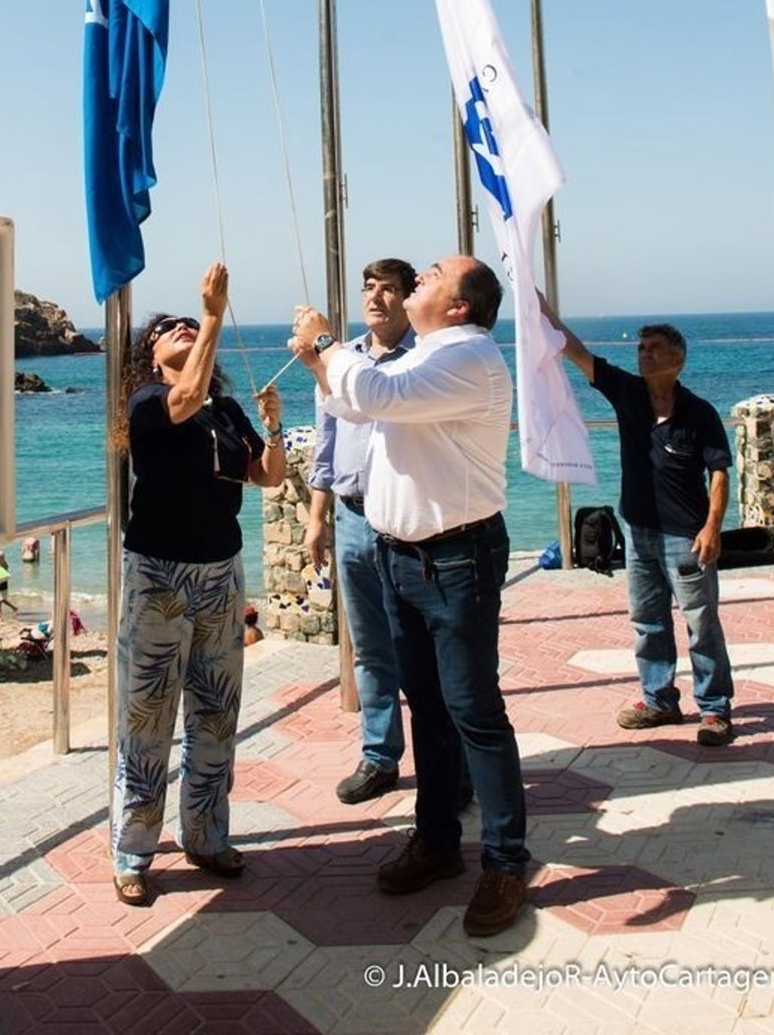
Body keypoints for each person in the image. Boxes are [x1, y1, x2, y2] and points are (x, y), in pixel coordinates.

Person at [291, 256, 530, 938]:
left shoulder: (469, 356)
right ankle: (437, 840)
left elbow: (377, 395)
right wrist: (322, 364)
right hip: (401, 556)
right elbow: (354, 404)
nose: (423, 274)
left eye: (435, 273)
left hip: (456, 558)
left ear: (460, 306)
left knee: (474, 710)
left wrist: (326, 340)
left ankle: (505, 861)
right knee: (425, 703)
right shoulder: (428, 353)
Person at [111, 260, 287, 908]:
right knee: (147, 717)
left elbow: (267, 477)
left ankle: (207, 837)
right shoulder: (149, 402)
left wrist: (273, 424)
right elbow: (183, 400)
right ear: (151, 357)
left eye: (190, 323)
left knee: (215, 715)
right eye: (170, 329)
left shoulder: (226, 410)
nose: (183, 327)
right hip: (159, 573)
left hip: (221, 572)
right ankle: (132, 852)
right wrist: (212, 314)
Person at [540, 302, 736, 746]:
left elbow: (720, 473)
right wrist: (541, 308)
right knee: (647, 621)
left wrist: (712, 527)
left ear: (676, 359)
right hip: (637, 531)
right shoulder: (627, 392)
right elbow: (575, 350)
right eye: (642, 348)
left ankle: (714, 709)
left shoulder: (700, 412)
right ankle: (659, 700)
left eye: (654, 348)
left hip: (686, 537)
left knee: (702, 624)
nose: (644, 354)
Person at [305, 258, 415, 803]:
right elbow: (326, 442)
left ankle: (450, 764)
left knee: (419, 649)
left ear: (408, 298)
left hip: (406, 520)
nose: (375, 297)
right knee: (369, 647)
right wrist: (316, 517)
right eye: (369, 287)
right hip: (350, 518)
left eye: (388, 288)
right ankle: (379, 755)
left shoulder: (422, 357)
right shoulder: (341, 358)